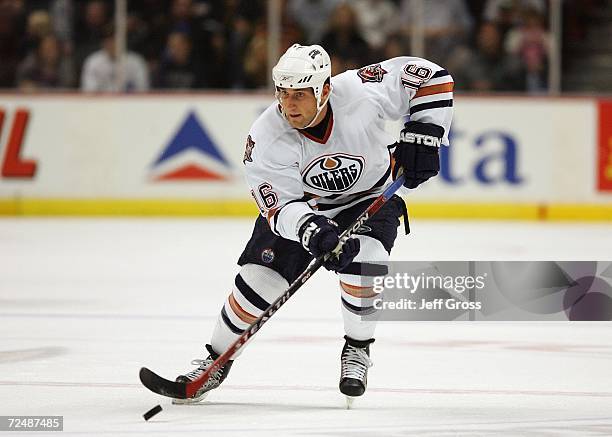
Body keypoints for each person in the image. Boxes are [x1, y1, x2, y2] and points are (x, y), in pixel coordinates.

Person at [174, 44, 454, 404]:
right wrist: (312, 231)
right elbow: (279, 208)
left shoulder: (360, 91)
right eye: (283, 94)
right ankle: (214, 362)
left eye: (300, 95)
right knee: (257, 283)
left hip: (370, 198)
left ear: (324, 90)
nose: (289, 105)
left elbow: (431, 76)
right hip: (305, 209)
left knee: (364, 267)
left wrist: (425, 132)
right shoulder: (265, 137)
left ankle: (357, 349)